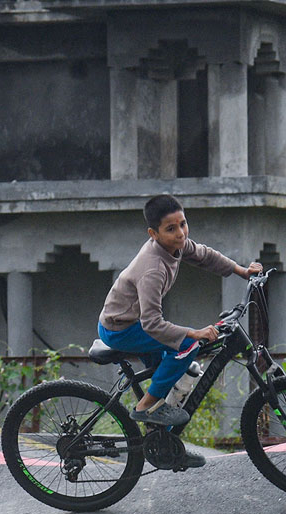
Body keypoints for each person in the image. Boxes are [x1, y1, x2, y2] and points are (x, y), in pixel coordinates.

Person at [97, 194, 262, 465]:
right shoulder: (153, 269)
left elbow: (205, 256)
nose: (181, 233)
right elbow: (152, 323)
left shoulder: (176, 245)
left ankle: (164, 443)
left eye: (183, 224)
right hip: (122, 329)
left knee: (171, 368)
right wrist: (192, 333)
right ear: (154, 234)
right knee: (187, 346)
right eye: (171, 228)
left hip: (133, 323)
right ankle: (146, 407)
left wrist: (241, 271)